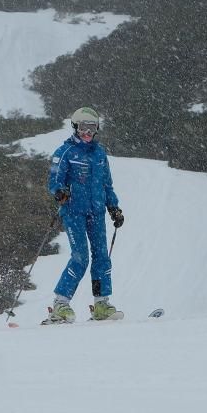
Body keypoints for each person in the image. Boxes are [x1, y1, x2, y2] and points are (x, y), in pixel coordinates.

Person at [42, 107, 124, 324]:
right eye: (83, 128)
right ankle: (60, 305)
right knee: (80, 257)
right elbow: (54, 182)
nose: (87, 133)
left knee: (102, 258)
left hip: (96, 213)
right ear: (75, 128)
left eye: (92, 128)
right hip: (74, 212)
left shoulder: (99, 153)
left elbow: (107, 184)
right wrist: (59, 192)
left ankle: (101, 305)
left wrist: (113, 208)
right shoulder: (65, 152)